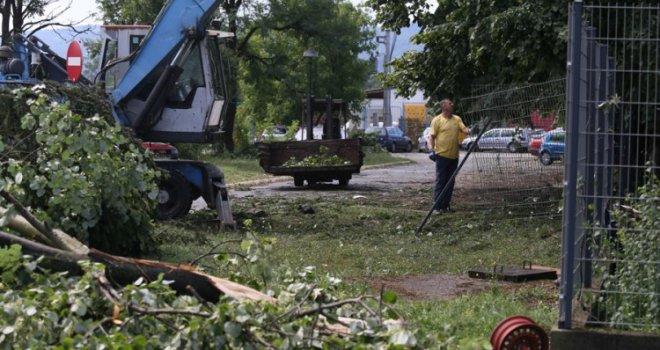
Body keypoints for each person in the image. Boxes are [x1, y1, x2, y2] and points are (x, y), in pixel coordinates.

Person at [428, 98, 470, 213]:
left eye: (452, 103)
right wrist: (431, 150)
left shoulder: (457, 119)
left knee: (450, 182)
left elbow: (464, 129)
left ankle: (446, 206)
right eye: (450, 104)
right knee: (441, 181)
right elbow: (431, 137)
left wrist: (468, 130)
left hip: (454, 157)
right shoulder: (437, 120)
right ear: (444, 107)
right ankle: (437, 206)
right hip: (441, 156)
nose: (452, 104)